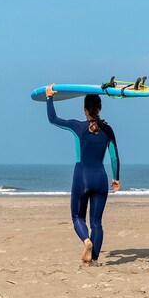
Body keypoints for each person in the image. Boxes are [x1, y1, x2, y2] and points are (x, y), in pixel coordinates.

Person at [45, 84, 120, 265]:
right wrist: (116, 178)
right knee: (97, 223)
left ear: (84, 109)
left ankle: (86, 241)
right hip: (100, 179)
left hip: (82, 177)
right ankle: (94, 261)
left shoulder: (77, 127)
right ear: (100, 108)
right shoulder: (108, 130)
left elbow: (53, 119)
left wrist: (49, 97)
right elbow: (114, 157)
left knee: (77, 217)